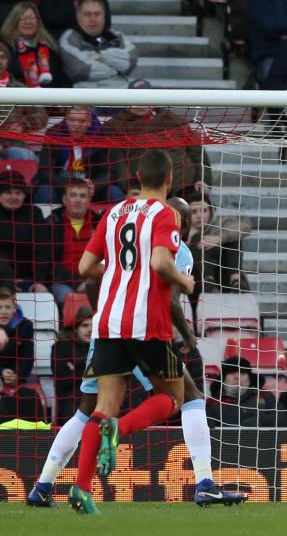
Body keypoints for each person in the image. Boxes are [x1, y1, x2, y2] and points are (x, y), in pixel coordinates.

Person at [28, 193, 245, 509]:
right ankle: (204, 483)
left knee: (87, 410)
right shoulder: (178, 252)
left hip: (107, 332)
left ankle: (43, 486)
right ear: (182, 225)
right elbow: (170, 300)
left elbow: (89, 276)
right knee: (191, 397)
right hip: (144, 334)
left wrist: (102, 313)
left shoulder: (125, 239)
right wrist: (187, 335)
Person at [66, 149, 195, 514]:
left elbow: (85, 265)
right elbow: (159, 261)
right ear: (169, 180)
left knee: (103, 407)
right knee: (173, 398)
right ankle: (120, 432)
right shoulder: (165, 214)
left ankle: (81, 490)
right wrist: (184, 282)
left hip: (107, 321)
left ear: (137, 177)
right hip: (147, 323)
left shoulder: (114, 212)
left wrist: (120, 277)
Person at [58, 0, 137, 88]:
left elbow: (129, 63)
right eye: (87, 14)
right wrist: (116, 69)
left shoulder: (117, 36)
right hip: (86, 96)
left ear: (104, 15)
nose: (93, 19)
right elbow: (82, 70)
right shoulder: (69, 38)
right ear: (78, 16)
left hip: (120, 93)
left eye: (97, 14)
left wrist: (101, 56)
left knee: (144, 86)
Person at [44, 178, 102, 305]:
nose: (77, 200)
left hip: (94, 281)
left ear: (89, 201)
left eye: (82, 196)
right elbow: (49, 262)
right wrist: (78, 282)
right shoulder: (52, 222)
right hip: (62, 282)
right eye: (73, 195)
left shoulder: (100, 223)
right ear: (64, 200)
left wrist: (89, 282)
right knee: (69, 298)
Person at [185, 193, 250, 293]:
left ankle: (236, 281)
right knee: (197, 238)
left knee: (233, 237)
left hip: (224, 275)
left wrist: (219, 238)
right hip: (195, 280)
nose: (199, 215)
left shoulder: (220, 223)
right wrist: (190, 237)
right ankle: (208, 282)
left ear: (211, 212)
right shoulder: (181, 230)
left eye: (204, 210)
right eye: (194, 212)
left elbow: (245, 228)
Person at [0, 169, 50, 294]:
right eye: (8, 192)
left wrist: (40, 281)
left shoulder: (35, 214)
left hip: (27, 279)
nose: (14, 197)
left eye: (18, 193)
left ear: (24, 195)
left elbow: (43, 249)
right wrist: (6, 280)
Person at [206, 356, 287, 428]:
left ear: (249, 378)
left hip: (263, 445)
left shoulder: (265, 396)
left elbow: (284, 419)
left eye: (242, 373)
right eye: (232, 373)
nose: (237, 377)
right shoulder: (212, 403)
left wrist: (259, 421)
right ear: (223, 379)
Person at [0, 0, 69, 88]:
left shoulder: (48, 46)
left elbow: (60, 77)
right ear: (14, 22)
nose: (28, 21)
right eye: (23, 18)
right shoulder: (6, 48)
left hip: (52, 98)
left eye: (32, 17)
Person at [52, 304, 91, 425]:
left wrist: (77, 367)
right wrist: (89, 371)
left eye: (94, 327)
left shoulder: (104, 347)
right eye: (85, 325)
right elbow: (63, 382)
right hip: (70, 402)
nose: (90, 330)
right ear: (75, 328)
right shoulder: (61, 347)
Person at [0, 286, 34, 381]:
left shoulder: (26, 325)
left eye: (7, 307)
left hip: (18, 374)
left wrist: (17, 376)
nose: (4, 312)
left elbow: (27, 357)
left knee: (29, 391)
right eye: (0, 308)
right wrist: (2, 371)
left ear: (14, 309)